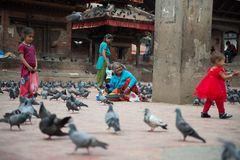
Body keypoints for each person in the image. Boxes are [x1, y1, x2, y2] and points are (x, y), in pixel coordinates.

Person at [195, 53, 239, 119]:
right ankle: (222, 113)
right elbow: (224, 77)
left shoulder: (212, 68)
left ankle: (204, 112)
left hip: (210, 86)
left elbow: (220, 74)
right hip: (217, 87)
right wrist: (232, 75)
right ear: (217, 61)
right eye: (223, 61)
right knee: (219, 100)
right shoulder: (219, 69)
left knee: (209, 100)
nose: (224, 62)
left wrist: (231, 72)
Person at [18, 27, 38, 98]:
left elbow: (35, 57)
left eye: (32, 37)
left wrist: (36, 66)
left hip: (33, 70)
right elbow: (21, 58)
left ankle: (30, 98)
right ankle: (23, 99)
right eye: (29, 37)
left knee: (32, 84)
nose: (31, 38)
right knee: (25, 83)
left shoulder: (32, 46)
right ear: (24, 36)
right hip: (25, 69)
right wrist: (28, 67)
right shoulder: (22, 46)